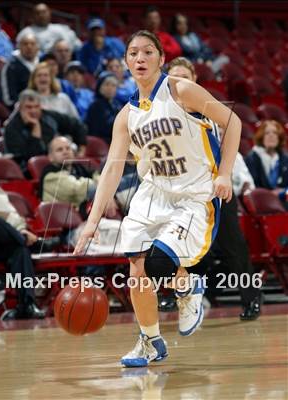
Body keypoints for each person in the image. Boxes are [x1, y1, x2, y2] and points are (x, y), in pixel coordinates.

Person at [74, 30, 241, 367]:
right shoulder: (126, 116)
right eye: (133, 53)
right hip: (153, 194)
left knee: (158, 264)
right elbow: (112, 169)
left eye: (148, 52)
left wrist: (224, 173)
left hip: (193, 195)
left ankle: (187, 286)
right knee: (137, 270)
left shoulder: (181, 90)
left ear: (161, 58)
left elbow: (233, 121)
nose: (140, 58)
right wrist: (91, 224)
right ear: (125, 63)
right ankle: (151, 341)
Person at [166, 56, 261, 320]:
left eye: (184, 76)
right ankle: (176, 297)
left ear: (194, 79)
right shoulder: (161, 111)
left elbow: (230, 133)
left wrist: (226, 175)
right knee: (176, 246)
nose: (179, 82)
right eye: (174, 77)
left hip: (214, 186)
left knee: (233, 247)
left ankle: (251, 298)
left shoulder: (206, 104)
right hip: (182, 190)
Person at [0, 183, 46, 320]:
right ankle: (33, 243)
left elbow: (12, 217)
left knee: (20, 251)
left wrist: (21, 230)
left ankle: (27, 305)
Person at [4, 89, 87, 173]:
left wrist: (81, 150)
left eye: (36, 106)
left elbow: (78, 126)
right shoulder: (11, 128)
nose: (33, 111)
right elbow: (26, 159)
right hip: (28, 171)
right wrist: (35, 131)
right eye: (28, 107)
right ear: (20, 108)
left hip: (56, 165)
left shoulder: (49, 116)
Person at [245, 120, 288, 207]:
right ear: (261, 137)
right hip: (261, 202)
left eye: (275, 133)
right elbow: (252, 186)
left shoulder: (284, 159)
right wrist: (269, 195)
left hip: (283, 200)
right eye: (267, 133)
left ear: (279, 137)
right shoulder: (251, 158)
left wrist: (283, 191)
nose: (271, 135)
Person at [16, 3, 81, 54]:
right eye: (38, 13)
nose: (41, 15)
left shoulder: (62, 29)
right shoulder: (25, 33)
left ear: (50, 13)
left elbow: (78, 47)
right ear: (32, 15)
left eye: (44, 12)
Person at [0, 33, 40, 107]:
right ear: (19, 47)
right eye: (25, 44)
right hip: (21, 109)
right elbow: (9, 99)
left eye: (32, 44)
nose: (29, 47)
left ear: (38, 47)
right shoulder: (11, 67)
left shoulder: (43, 63)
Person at [85, 71, 122, 144]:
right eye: (107, 84)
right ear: (100, 87)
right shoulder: (96, 105)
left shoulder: (116, 104)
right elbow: (101, 130)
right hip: (101, 143)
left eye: (113, 85)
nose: (110, 88)